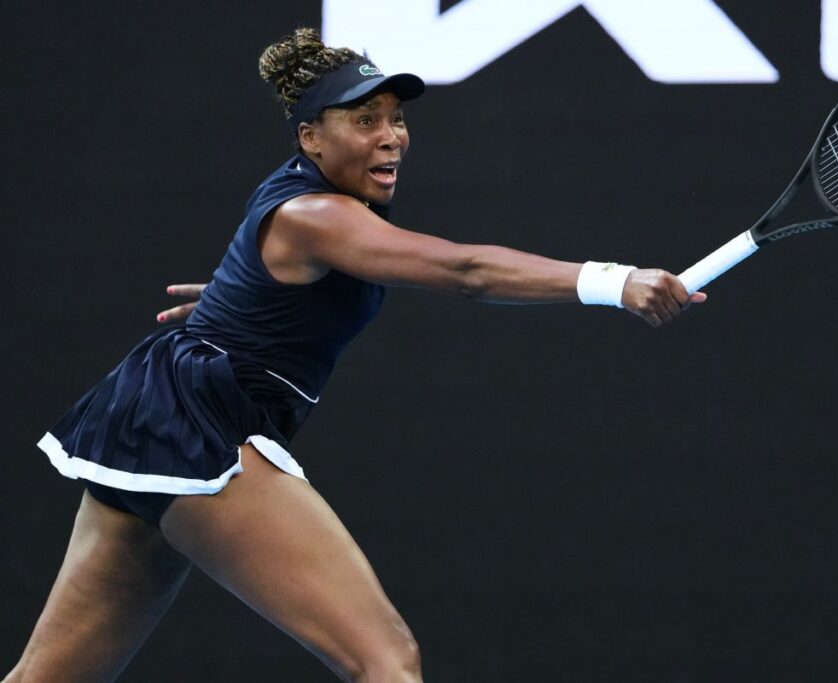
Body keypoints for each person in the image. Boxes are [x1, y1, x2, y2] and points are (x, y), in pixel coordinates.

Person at [6, 27, 704, 683]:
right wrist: (616, 280)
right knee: (387, 660)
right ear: (310, 136)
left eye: (396, 117)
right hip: (198, 430)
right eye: (364, 119)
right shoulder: (319, 216)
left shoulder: (305, 199)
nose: (392, 137)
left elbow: (273, 276)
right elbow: (466, 271)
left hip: (152, 414)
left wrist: (233, 299)